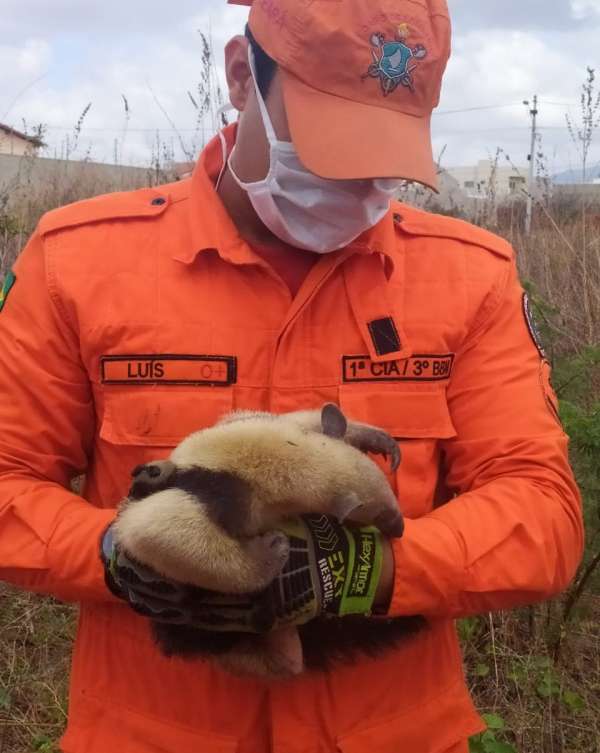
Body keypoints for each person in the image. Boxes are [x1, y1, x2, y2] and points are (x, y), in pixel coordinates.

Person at [0, 0, 583, 751]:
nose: (358, 184)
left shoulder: (470, 277)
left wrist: (361, 570)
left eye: (383, 156)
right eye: (329, 144)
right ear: (243, 76)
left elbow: (541, 514)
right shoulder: (80, 263)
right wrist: (125, 554)